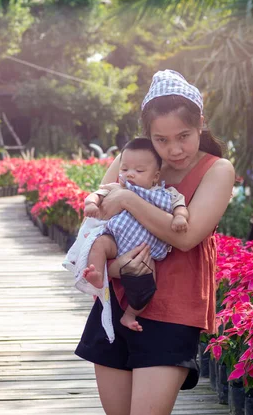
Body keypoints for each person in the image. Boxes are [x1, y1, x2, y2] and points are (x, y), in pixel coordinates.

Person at [74, 69, 235, 415]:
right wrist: (113, 269)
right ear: (148, 134)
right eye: (161, 139)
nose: (174, 149)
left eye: (184, 136)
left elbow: (186, 237)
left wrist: (129, 198)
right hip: (117, 300)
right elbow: (97, 223)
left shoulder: (217, 170)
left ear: (201, 126)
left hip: (175, 309)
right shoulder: (130, 159)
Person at [81, 137, 189, 332]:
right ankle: (97, 274)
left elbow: (180, 206)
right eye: (124, 170)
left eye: (139, 171)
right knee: (98, 244)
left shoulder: (166, 194)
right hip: (116, 240)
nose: (130, 175)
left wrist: (180, 217)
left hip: (145, 252)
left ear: (155, 176)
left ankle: (131, 313)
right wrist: (90, 203)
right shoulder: (118, 188)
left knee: (148, 285)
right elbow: (97, 194)